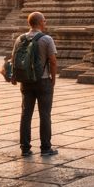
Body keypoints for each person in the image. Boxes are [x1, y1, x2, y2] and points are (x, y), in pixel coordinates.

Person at [11, 12, 58, 157]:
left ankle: (25, 148)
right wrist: (53, 78)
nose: (46, 22)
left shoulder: (20, 38)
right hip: (43, 80)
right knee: (45, 115)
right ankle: (45, 148)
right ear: (40, 23)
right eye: (44, 20)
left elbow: (14, 59)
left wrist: (14, 76)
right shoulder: (46, 39)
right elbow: (53, 61)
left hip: (26, 81)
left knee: (26, 114)